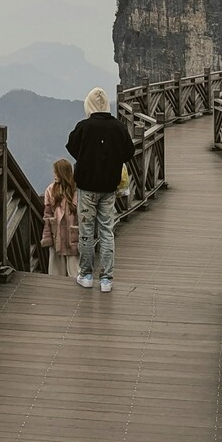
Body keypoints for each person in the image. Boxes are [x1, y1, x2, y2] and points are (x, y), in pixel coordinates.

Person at [66, 88, 135, 295]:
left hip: (87, 188)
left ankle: (86, 275)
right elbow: (129, 152)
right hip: (108, 188)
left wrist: (88, 157)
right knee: (107, 231)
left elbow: (71, 147)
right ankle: (106, 278)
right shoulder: (119, 128)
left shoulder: (84, 127)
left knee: (87, 232)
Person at [41, 159, 79, 278]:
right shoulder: (50, 190)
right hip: (56, 233)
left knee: (75, 270)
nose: (54, 175)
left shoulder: (76, 191)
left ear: (63, 173)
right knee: (56, 271)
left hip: (72, 233)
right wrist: (47, 236)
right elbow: (47, 215)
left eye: (56, 172)